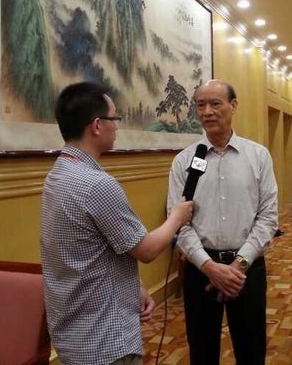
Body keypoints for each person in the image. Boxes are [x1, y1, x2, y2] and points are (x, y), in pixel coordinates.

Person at [41, 82, 194, 365]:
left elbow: (94, 249)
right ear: (97, 126)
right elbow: (146, 250)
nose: (118, 126)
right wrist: (177, 217)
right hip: (105, 340)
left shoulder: (58, 174)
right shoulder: (97, 185)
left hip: (73, 336)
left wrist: (134, 286)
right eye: (115, 118)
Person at [167, 80, 278, 365]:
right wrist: (209, 267)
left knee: (251, 350)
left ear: (233, 106)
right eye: (200, 105)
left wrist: (238, 266)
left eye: (215, 104)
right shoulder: (183, 161)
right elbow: (179, 222)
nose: (207, 112)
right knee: (202, 351)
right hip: (200, 271)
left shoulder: (258, 156)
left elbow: (268, 217)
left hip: (247, 270)